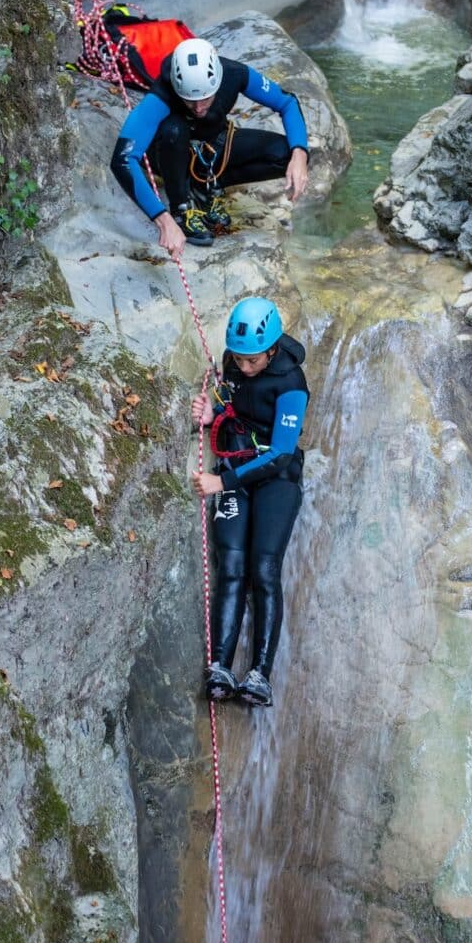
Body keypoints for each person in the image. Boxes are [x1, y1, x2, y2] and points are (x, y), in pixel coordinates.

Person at [190, 296, 309, 707]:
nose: (243, 366)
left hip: (276, 477)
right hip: (236, 464)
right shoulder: (234, 359)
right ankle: (220, 667)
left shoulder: (291, 384)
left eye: (252, 360)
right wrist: (213, 412)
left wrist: (222, 482)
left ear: (272, 349)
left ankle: (260, 673)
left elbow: (279, 453)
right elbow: (232, 398)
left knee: (263, 567)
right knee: (233, 564)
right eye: (238, 358)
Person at [110, 37, 309, 255]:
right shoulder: (162, 93)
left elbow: (287, 102)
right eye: (189, 100)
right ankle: (181, 209)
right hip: (169, 153)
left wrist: (299, 154)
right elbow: (123, 158)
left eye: (205, 99)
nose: (197, 108)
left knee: (285, 153)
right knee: (173, 129)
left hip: (212, 145)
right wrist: (163, 220)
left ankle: (205, 188)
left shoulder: (235, 73)